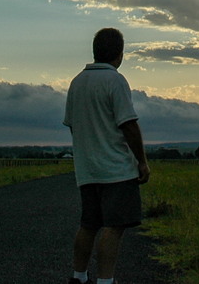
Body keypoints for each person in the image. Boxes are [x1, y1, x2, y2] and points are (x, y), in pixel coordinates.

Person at [64, 27, 151, 284]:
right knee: (114, 227)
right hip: (115, 169)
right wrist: (142, 161)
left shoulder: (77, 82)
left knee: (89, 224)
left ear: (95, 51)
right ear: (120, 54)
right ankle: (105, 280)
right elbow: (128, 124)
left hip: (87, 169)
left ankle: (78, 276)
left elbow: (72, 123)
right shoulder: (115, 80)